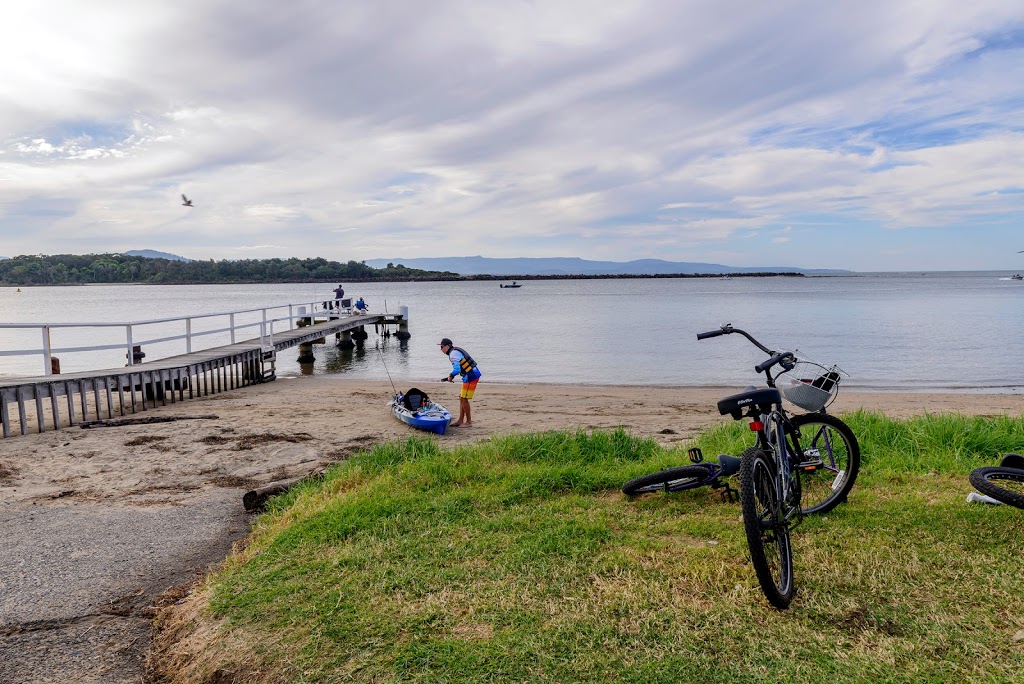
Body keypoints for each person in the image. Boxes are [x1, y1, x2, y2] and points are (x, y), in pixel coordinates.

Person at [439, 337, 481, 427]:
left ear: (447, 346)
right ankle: (460, 420)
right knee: (461, 397)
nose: (441, 349)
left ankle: (468, 422)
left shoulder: (453, 354)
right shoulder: (454, 352)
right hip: (470, 374)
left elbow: (457, 369)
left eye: (442, 347)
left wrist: (451, 376)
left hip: (471, 375)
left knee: (464, 398)